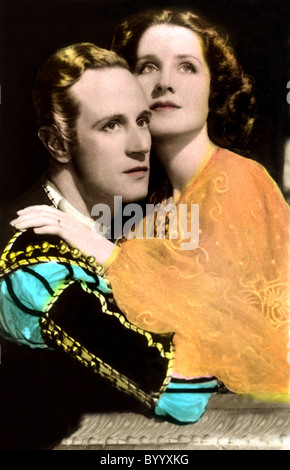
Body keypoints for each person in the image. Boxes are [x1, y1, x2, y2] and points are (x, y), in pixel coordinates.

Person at [11, 8, 290, 419]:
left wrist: (102, 252)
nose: (164, 83)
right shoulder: (151, 203)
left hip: (258, 418)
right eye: (147, 67)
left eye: (187, 68)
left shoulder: (241, 180)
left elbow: (226, 326)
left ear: (214, 88)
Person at [0, 42, 178, 450]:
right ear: (57, 143)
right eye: (111, 125)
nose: (141, 144)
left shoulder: (120, 229)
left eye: (143, 121)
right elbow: (176, 381)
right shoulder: (32, 261)